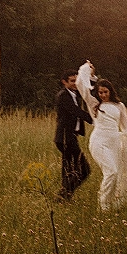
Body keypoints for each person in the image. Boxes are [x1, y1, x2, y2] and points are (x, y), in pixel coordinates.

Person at [76, 60, 127, 211]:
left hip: (115, 143)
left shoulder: (119, 106)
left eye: (105, 92)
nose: (103, 95)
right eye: (100, 92)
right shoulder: (94, 105)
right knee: (111, 172)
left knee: (116, 176)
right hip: (99, 142)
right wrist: (88, 71)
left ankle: (111, 205)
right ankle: (103, 206)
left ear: (110, 91)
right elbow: (81, 85)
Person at [54, 69, 92, 201]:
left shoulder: (75, 94)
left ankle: (65, 196)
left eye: (76, 80)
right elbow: (75, 111)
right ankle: (63, 195)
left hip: (70, 137)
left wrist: (91, 74)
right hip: (65, 138)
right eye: (72, 81)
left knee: (68, 169)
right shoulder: (63, 95)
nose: (75, 83)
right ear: (64, 82)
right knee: (85, 169)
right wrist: (93, 119)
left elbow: (90, 90)